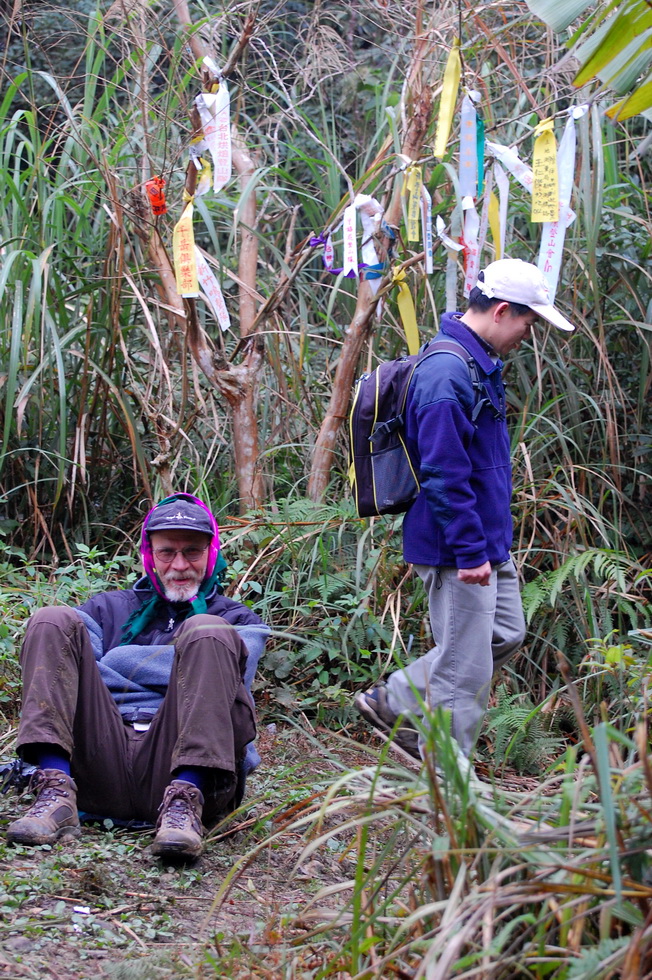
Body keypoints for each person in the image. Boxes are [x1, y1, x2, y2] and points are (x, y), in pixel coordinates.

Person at [355, 259, 575, 760]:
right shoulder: (447, 372)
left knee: (504, 633)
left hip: (485, 540)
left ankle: (398, 698)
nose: (528, 333)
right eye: (529, 322)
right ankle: (448, 782)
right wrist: (471, 551)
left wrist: (489, 546)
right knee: (465, 673)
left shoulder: (475, 361)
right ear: (501, 311)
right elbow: (443, 472)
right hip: (459, 546)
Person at [6, 493, 269, 859]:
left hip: (184, 768)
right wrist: (182, 668)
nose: (180, 565)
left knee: (208, 631)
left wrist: (114, 663)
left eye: (192, 552)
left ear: (210, 554)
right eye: (166, 552)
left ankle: (183, 804)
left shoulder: (237, 621)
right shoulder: (104, 609)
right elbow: (62, 674)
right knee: (52, 619)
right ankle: (55, 793)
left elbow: (226, 692)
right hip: (98, 761)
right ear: (149, 555)